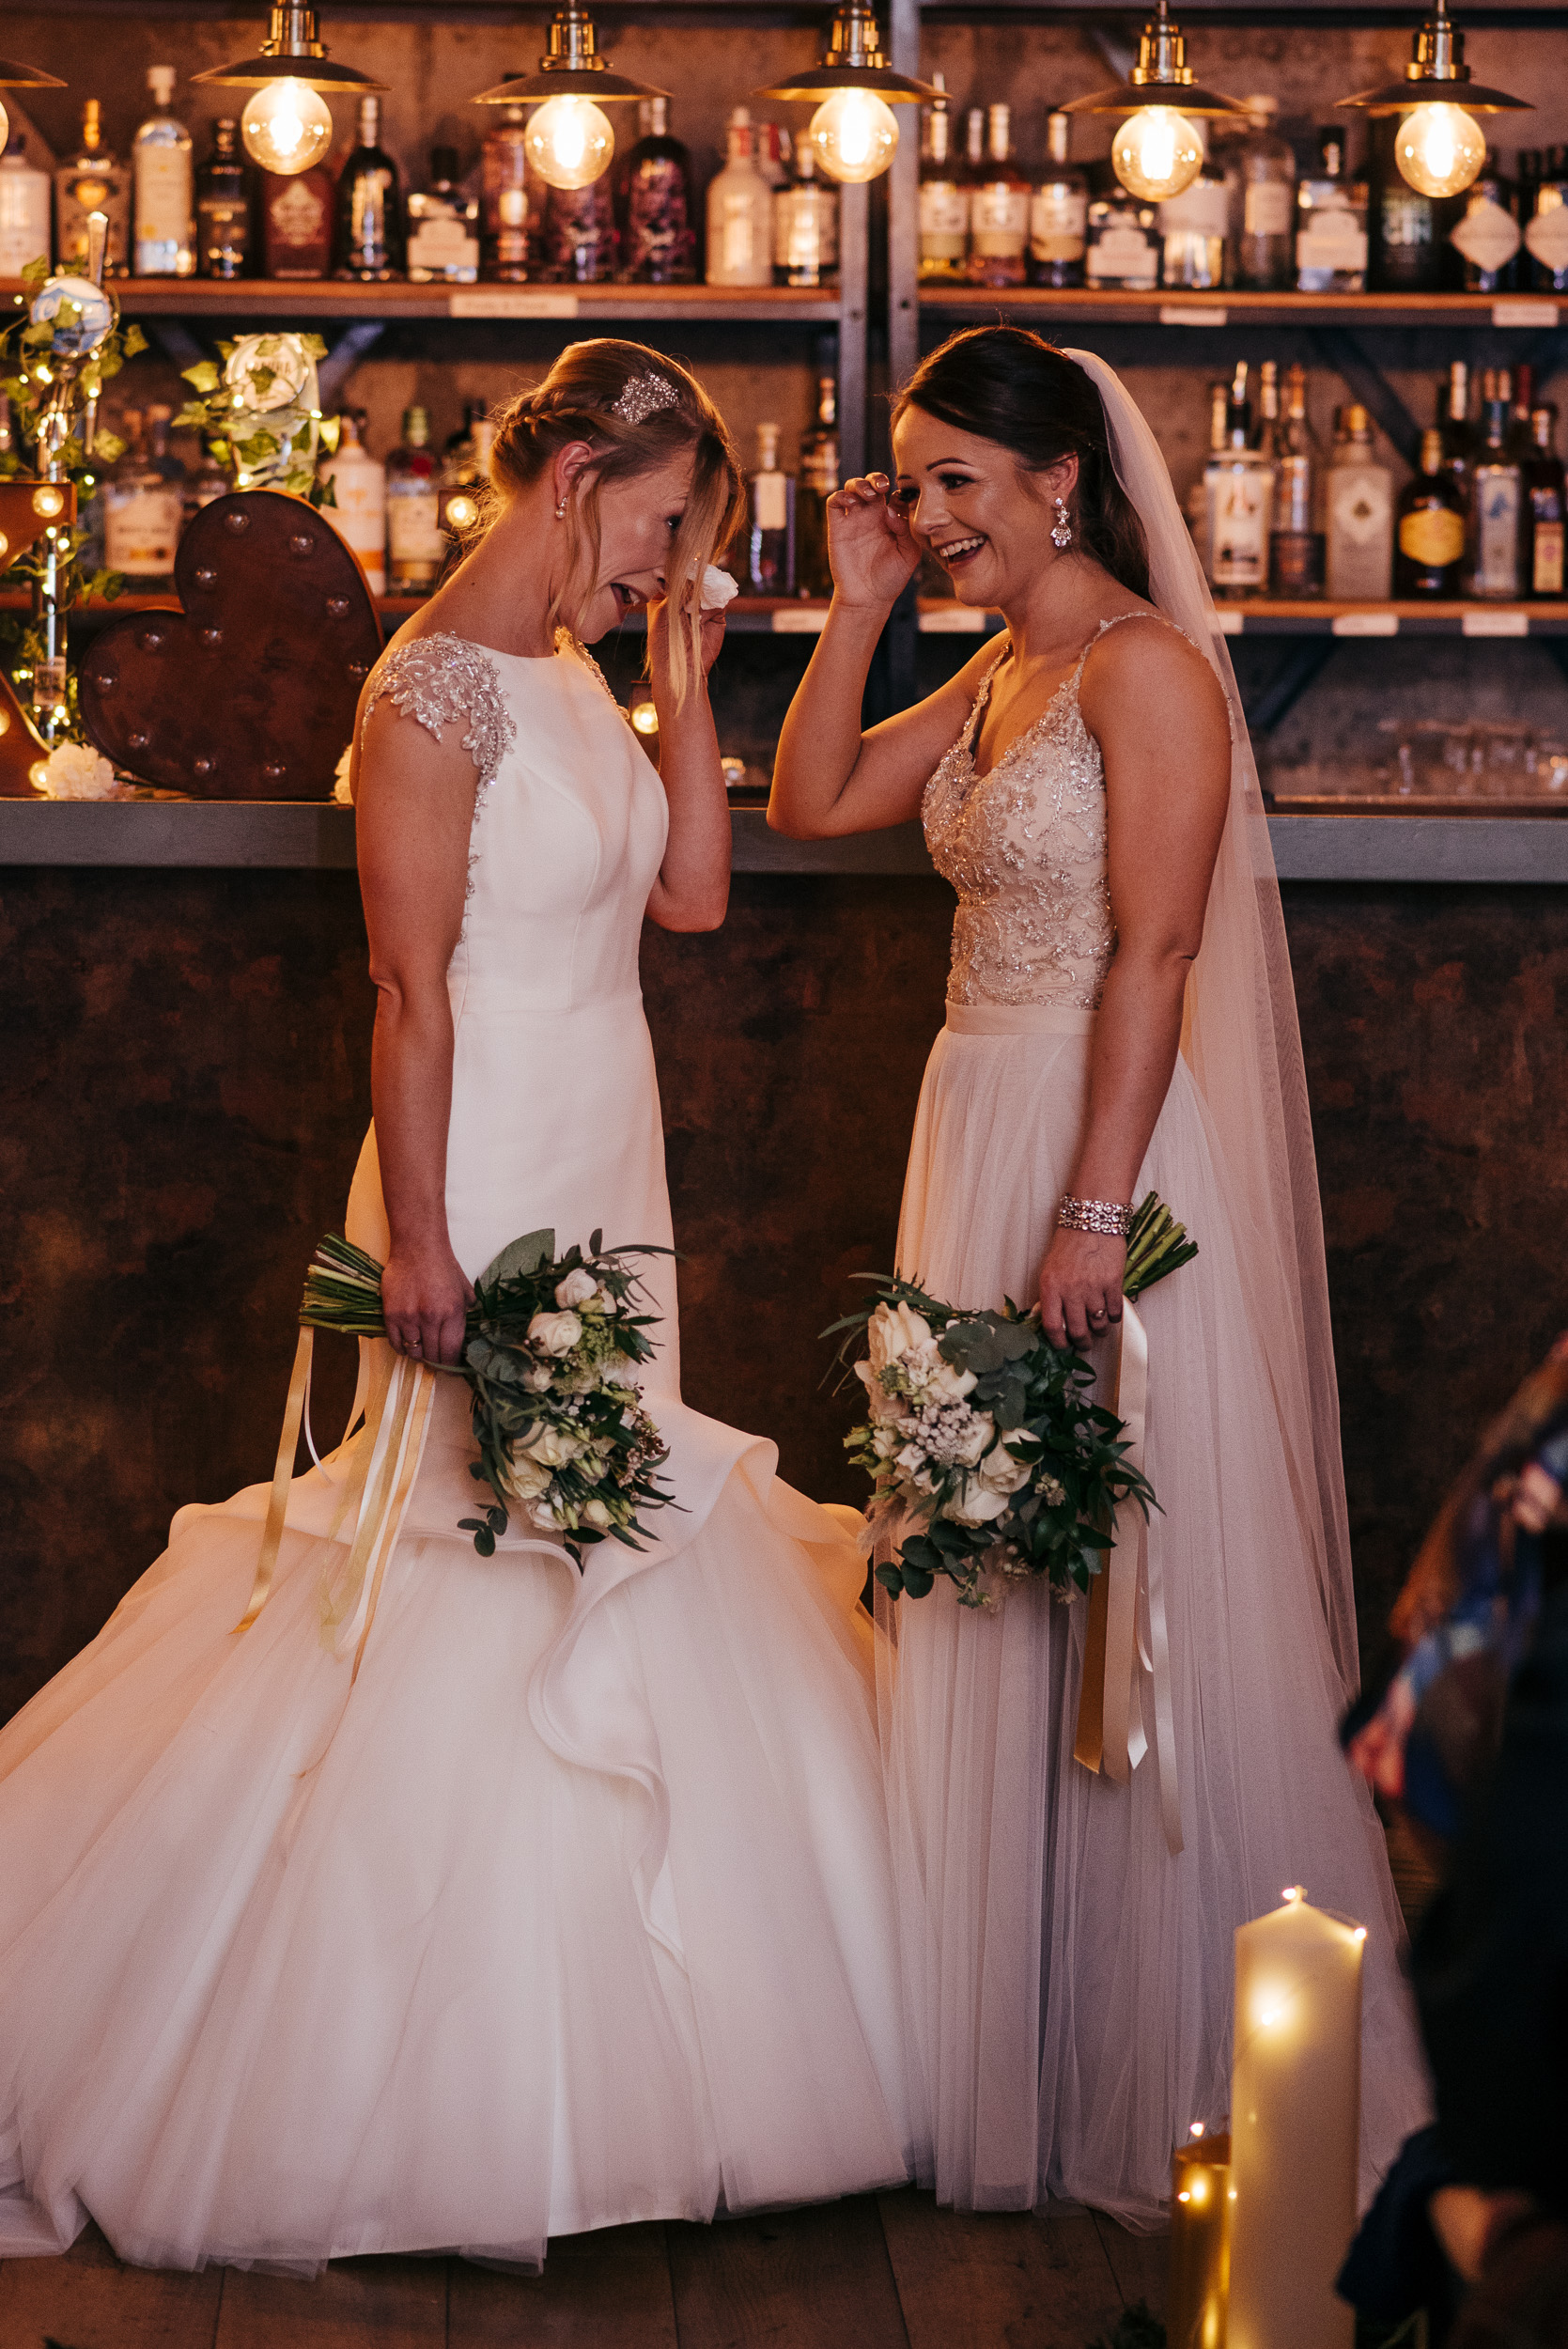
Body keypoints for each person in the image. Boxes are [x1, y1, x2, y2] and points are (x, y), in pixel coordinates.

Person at [0, 340, 910, 2273]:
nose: (665, 563)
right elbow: (407, 993)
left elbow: (690, 906)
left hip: (609, 1143)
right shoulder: (423, 688)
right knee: (448, 1551)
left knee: (611, 1521)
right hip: (478, 1149)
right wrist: (419, 1238)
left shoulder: (583, 667)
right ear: (577, 474)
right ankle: (410, 2059)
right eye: (661, 527)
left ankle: (660, 2043)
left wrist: (682, 693)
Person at [769, 324, 1431, 2227]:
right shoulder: (1000, 663)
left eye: (949, 482)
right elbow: (813, 797)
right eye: (909, 480)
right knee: (976, 1555)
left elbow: (1151, 953)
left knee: (1130, 1575)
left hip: (1094, 1138)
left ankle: (1162, 2049)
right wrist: (860, 598)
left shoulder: (1147, 672)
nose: (924, 511)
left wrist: (1087, 1211)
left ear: (1058, 478)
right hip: (965, 1113)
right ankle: (993, 2035)